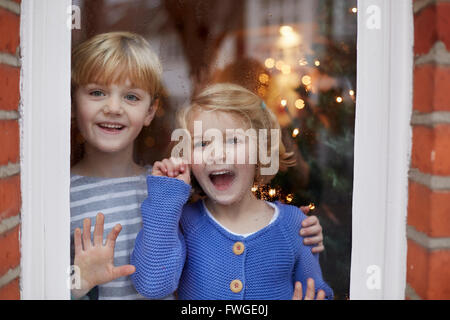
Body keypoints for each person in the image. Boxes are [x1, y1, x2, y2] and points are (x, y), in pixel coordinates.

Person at [131, 83, 333, 299]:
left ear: (261, 151)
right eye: (202, 143)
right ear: (187, 158)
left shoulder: (294, 224)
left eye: (233, 140)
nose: (217, 154)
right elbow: (152, 285)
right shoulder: (184, 222)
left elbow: (317, 291)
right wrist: (165, 198)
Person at [69, 31, 164, 300]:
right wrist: (77, 286)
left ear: (150, 112)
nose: (113, 107)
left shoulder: (162, 188)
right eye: (97, 92)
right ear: (74, 103)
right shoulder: (57, 195)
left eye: (131, 97)